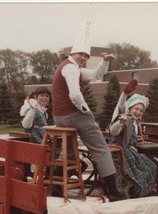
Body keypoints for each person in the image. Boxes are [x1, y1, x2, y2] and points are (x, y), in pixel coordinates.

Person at [51, 40, 123, 201]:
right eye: (81, 54)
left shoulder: (70, 66)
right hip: (72, 115)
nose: (83, 58)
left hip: (59, 117)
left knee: (68, 149)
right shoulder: (70, 68)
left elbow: (95, 75)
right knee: (101, 149)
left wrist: (105, 62)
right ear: (72, 53)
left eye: (86, 56)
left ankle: (57, 188)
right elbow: (75, 95)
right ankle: (113, 192)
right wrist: (86, 111)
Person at [110, 94, 157, 197]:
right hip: (122, 152)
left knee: (152, 164)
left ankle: (141, 190)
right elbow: (114, 131)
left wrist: (137, 139)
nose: (138, 112)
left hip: (130, 150)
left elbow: (130, 136)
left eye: (141, 111)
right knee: (149, 167)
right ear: (130, 108)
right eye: (136, 109)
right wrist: (119, 123)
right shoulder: (124, 119)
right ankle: (139, 192)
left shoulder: (134, 121)